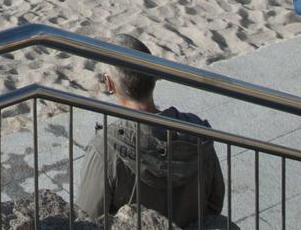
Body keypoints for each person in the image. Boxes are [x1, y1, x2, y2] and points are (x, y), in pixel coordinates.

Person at [72, 33, 226, 225]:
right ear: (154, 76)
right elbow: (214, 203)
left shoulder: (104, 149)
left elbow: (87, 219)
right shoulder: (197, 131)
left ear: (110, 84)